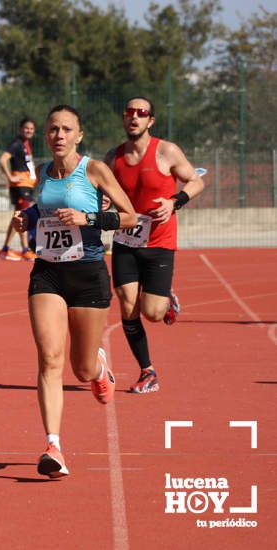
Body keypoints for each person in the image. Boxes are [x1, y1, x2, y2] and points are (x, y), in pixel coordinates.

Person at [11, 104, 136, 479]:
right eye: (53, 129)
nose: (59, 135)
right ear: (46, 135)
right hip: (47, 273)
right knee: (50, 357)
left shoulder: (94, 170)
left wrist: (90, 218)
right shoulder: (43, 175)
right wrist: (26, 218)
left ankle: (99, 368)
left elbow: (130, 216)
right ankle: (53, 445)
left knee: (80, 368)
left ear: (78, 135)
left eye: (66, 129)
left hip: (88, 274)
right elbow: (43, 209)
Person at [104, 97, 206, 394]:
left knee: (152, 312)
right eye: (129, 112)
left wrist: (175, 202)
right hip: (126, 240)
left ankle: (166, 300)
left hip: (160, 241)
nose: (134, 117)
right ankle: (147, 371)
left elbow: (196, 181)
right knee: (126, 304)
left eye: (142, 113)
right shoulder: (113, 157)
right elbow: (103, 189)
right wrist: (104, 199)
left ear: (151, 120)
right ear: (124, 119)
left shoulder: (166, 151)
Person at [0, 117, 38, 261]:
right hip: (20, 186)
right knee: (22, 217)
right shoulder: (16, 144)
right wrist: (10, 177)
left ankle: (5, 249)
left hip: (27, 185)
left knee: (18, 216)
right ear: (21, 129)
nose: (29, 131)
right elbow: (2, 160)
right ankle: (25, 249)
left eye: (32, 129)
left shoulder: (26, 144)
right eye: (26, 128)